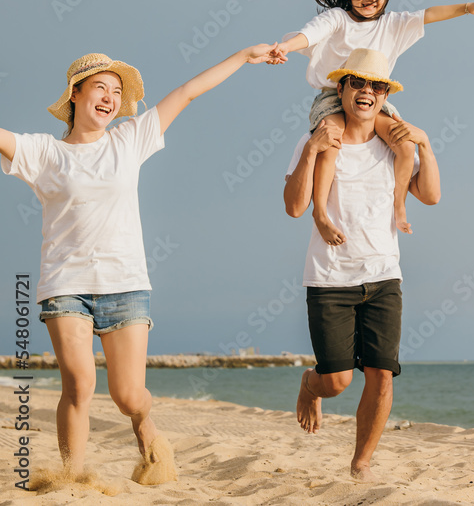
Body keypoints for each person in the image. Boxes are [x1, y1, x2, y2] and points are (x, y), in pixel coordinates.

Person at [0, 45, 274, 484]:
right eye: (100, 88)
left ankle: (143, 422)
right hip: (65, 283)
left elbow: (187, 92)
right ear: (75, 94)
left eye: (115, 91)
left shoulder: (129, 139)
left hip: (125, 285)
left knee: (128, 396)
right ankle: (71, 479)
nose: (109, 97)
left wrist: (244, 56)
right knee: (79, 384)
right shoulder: (44, 152)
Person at [283, 48, 441, 481]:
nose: (367, 92)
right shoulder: (317, 137)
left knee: (382, 375)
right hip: (330, 279)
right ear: (342, 88)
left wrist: (426, 144)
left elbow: (429, 195)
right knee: (337, 382)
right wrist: (311, 151)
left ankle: (361, 462)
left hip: (384, 275)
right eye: (358, 83)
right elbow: (294, 207)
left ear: (385, 94)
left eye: (376, 86)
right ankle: (310, 385)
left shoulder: (394, 145)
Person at [268, 0, 474, 244]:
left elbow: (428, 15)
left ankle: (399, 203)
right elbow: (310, 34)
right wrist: (284, 48)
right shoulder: (338, 19)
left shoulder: (392, 25)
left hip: (374, 96)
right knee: (331, 141)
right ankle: (321, 213)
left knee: (403, 143)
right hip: (332, 95)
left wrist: (468, 7)